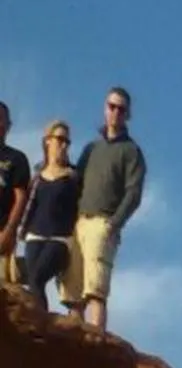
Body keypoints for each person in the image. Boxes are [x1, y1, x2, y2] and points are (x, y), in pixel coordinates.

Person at [72, 88, 147, 330]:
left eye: (121, 109)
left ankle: (96, 343)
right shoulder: (91, 148)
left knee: (95, 291)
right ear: (105, 108)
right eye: (111, 106)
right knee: (73, 292)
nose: (115, 112)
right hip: (78, 222)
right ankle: (72, 346)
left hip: (102, 223)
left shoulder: (131, 151)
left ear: (128, 115)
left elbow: (133, 193)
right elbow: (76, 182)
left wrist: (113, 224)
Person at [16, 121, 81, 313]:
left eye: (67, 141)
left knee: (37, 278)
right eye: (60, 139)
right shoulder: (37, 176)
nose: (64, 145)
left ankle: (39, 325)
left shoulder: (73, 176)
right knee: (34, 283)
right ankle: (38, 321)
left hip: (60, 239)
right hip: (34, 236)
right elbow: (29, 206)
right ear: (47, 141)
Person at [0, 104, 30, 286]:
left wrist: (9, 231)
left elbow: (20, 198)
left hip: (2, 232)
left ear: (8, 125)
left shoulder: (16, 158)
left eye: (1, 119)